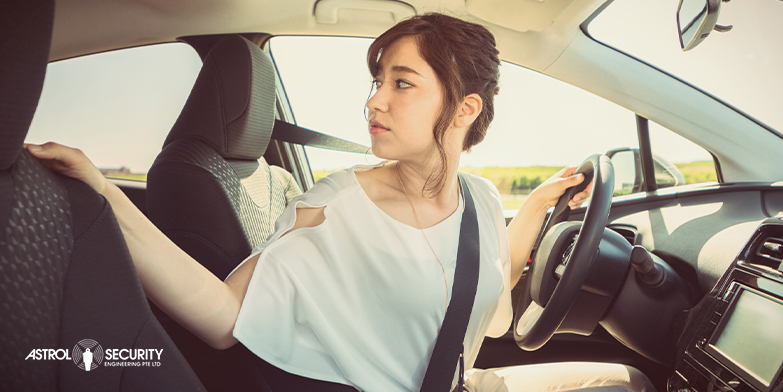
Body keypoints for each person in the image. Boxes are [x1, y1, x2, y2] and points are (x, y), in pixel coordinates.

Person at [26, 12, 654, 392]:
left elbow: (490, 296)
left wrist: (541, 206)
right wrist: (105, 195)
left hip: (466, 380)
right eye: (377, 83)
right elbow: (222, 316)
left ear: (465, 109)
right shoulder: (334, 203)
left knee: (630, 380)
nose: (374, 101)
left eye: (401, 83)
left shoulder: (483, 198)